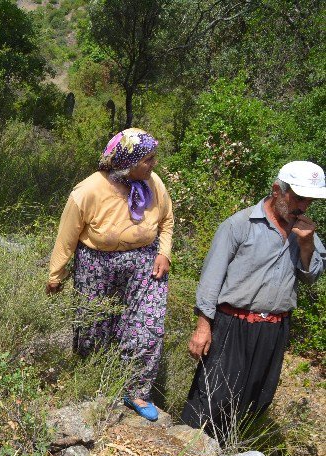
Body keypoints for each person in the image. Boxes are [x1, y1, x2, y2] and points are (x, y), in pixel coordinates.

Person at [181, 161, 326, 439]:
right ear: (277, 190)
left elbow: (312, 276)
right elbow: (212, 277)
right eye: (297, 197)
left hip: (273, 328)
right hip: (232, 325)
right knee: (214, 397)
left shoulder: (305, 233)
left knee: (255, 400)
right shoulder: (240, 224)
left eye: (308, 200)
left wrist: (307, 244)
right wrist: (203, 326)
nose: (303, 206)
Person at [46, 128, 174, 421]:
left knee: (147, 327)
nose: (154, 165)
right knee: (94, 329)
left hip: (145, 264)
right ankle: (95, 385)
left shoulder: (153, 183)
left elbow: (166, 220)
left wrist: (164, 252)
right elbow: (67, 236)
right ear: (127, 162)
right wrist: (56, 275)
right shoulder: (88, 190)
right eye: (148, 159)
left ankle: (137, 390)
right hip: (97, 265)